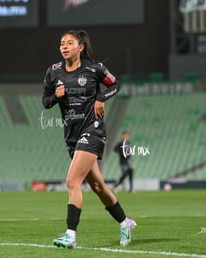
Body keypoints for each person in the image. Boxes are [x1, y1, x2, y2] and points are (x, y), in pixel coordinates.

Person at [42, 30, 136, 249]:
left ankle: (70, 235)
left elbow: (115, 84)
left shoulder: (94, 69)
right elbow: (45, 102)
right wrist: (55, 97)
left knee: (72, 181)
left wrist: (101, 98)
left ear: (80, 47)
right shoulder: (53, 72)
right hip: (71, 135)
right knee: (97, 186)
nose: (64, 46)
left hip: (92, 130)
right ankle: (125, 222)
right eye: (61, 43)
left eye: (69, 42)